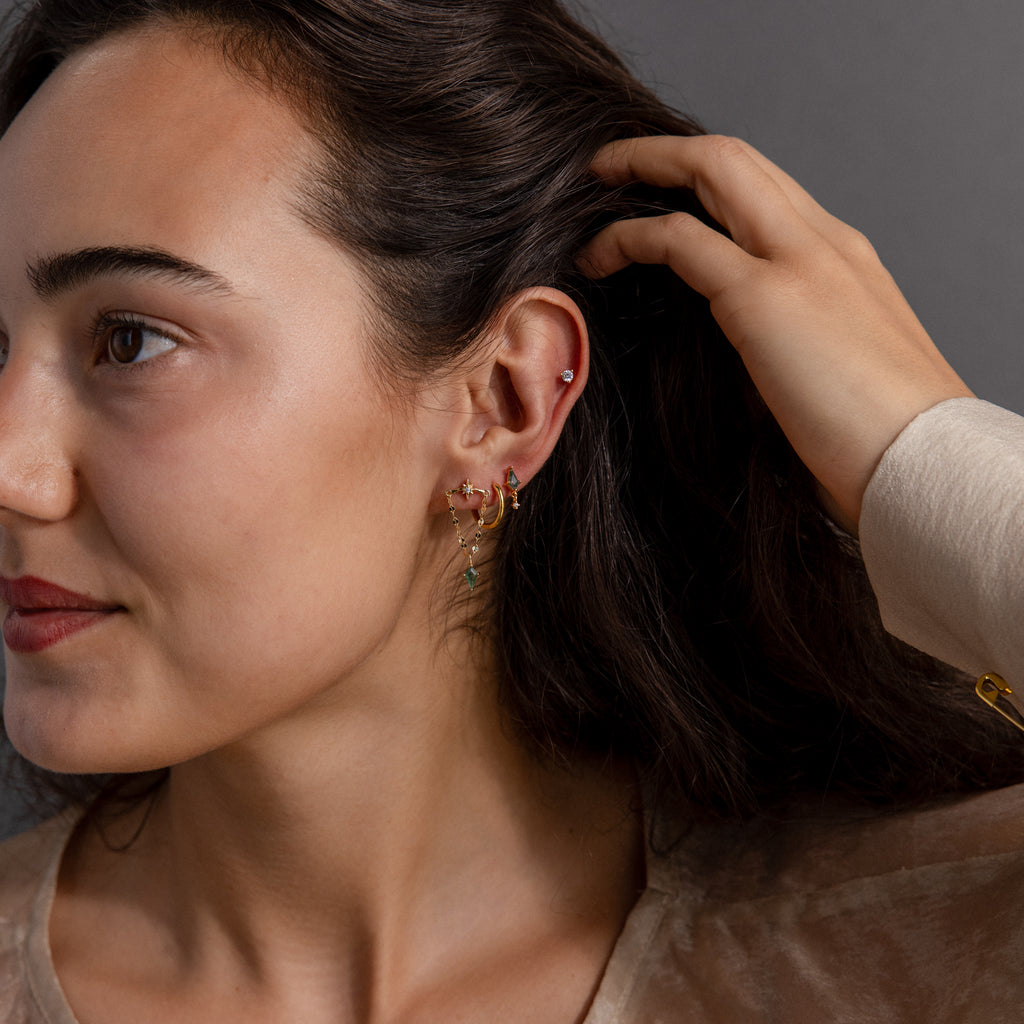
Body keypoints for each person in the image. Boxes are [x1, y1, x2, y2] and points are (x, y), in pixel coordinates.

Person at [0, 1, 1021, 1021]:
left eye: (130, 340)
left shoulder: (938, 944)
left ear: (503, 399)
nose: (10, 468)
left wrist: (920, 451)